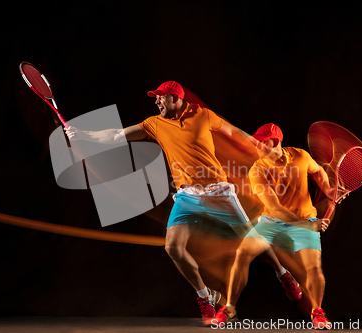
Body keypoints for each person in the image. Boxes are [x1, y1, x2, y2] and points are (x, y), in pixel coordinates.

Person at [65, 82, 301, 325]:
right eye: (155, 98)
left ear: (174, 98)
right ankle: (205, 297)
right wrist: (84, 135)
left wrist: (260, 147)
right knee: (173, 248)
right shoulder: (154, 124)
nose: (156, 102)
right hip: (188, 196)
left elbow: (234, 133)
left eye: (160, 98)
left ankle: (283, 275)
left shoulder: (203, 115)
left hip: (218, 191)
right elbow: (117, 135)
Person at [211, 123, 335, 329]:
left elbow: (318, 171)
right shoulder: (257, 170)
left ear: (275, 142)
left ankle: (318, 312)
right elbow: (276, 209)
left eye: (261, 141)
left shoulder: (301, 156)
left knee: (313, 267)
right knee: (242, 253)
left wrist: (329, 190)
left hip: (305, 218)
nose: (256, 145)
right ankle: (229, 308)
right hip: (273, 221)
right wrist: (307, 225)